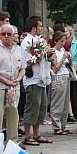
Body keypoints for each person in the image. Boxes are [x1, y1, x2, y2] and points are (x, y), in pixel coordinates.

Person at [0, 23, 26, 140]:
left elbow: (22, 68)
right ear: (0, 35)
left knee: (13, 114)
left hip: (14, 87)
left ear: (13, 35)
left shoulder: (18, 49)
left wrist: (18, 79)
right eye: (4, 34)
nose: (6, 36)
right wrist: (5, 81)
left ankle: (12, 141)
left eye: (9, 34)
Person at [21, 17, 54, 146]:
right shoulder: (26, 42)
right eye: (39, 26)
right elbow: (28, 61)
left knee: (41, 107)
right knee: (32, 107)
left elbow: (44, 56)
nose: (41, 28)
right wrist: (42, 54)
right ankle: (27, 135)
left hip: (42, 77)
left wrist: (48, 53)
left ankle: (37, 133)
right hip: (33, 78)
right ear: (33, 27)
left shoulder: (40, 40)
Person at [49, 30, 73, 136]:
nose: (63, 43)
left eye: (64, 41)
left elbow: (69, 64)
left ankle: (63, 125)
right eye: (61, 41)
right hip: (58, 78)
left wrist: (70, 58)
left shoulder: (63, 49)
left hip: (66, 76)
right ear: (55, 41)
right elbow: (55, 69)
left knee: (65, 102)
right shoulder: (53, 52)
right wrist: (63, 58)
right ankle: (56, 126)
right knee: (57, 102)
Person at [67, 26, 77, 122]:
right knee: (67, 93)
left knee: (74, 93)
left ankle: (75, 114)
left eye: (66, 32)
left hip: (75, 69)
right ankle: (69, 114)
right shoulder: (64, 43)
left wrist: (74, 68)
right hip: (66, 69)